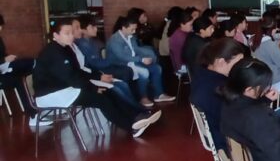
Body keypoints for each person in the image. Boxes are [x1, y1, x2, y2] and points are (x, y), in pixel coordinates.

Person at [33, 19, 161, 138]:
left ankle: (138, 116)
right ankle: (131, 127)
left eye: (71, 32)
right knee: (100, 98)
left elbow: (78, 72)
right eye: (67, 33)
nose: (71, 36)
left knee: (108, 91)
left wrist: (97, 79)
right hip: (52, 94)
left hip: (67, 88)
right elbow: (71, 78)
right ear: (55, 35)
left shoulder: (66, 49)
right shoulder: (53, 52)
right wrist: (93, 87)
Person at [190, 38, 280, 151]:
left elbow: (242, 110)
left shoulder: (203, 76)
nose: (241, 67)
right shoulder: (219, 88)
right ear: (221, 62)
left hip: (231, 134)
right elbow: (249, 121)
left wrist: (265, 100)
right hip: (238, 144)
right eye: (238, 63)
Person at [70, 18, 144, 113]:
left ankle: (134, 105)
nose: (96, 29)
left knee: (127, 74)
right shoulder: (82, 44)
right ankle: (133, 108)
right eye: (93, 27)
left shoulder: (91, 42)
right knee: (123, 79)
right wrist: (110, 62)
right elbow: (93, 64)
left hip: (97, 70)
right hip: (96, 72)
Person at [107, 15, 176, 108]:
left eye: (135, 29)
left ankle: (159, 94)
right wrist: (141, 59)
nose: (134, 31)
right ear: (124, 28)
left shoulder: (130, 36)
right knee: (144, 72)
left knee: (157, 68)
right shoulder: (115, 40)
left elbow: (136, 49)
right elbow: (121, 56)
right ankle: (143, 97)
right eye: (132, 29)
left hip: (132, 61)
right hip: (120, 63)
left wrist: (147, 55)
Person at [0, 13, 50, 126]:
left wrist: (7, 59)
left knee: (31, 69)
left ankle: (43, 103)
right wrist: (3, 60)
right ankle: (33, 115)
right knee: (19, 80)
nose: (0, 29)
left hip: (5, 69)